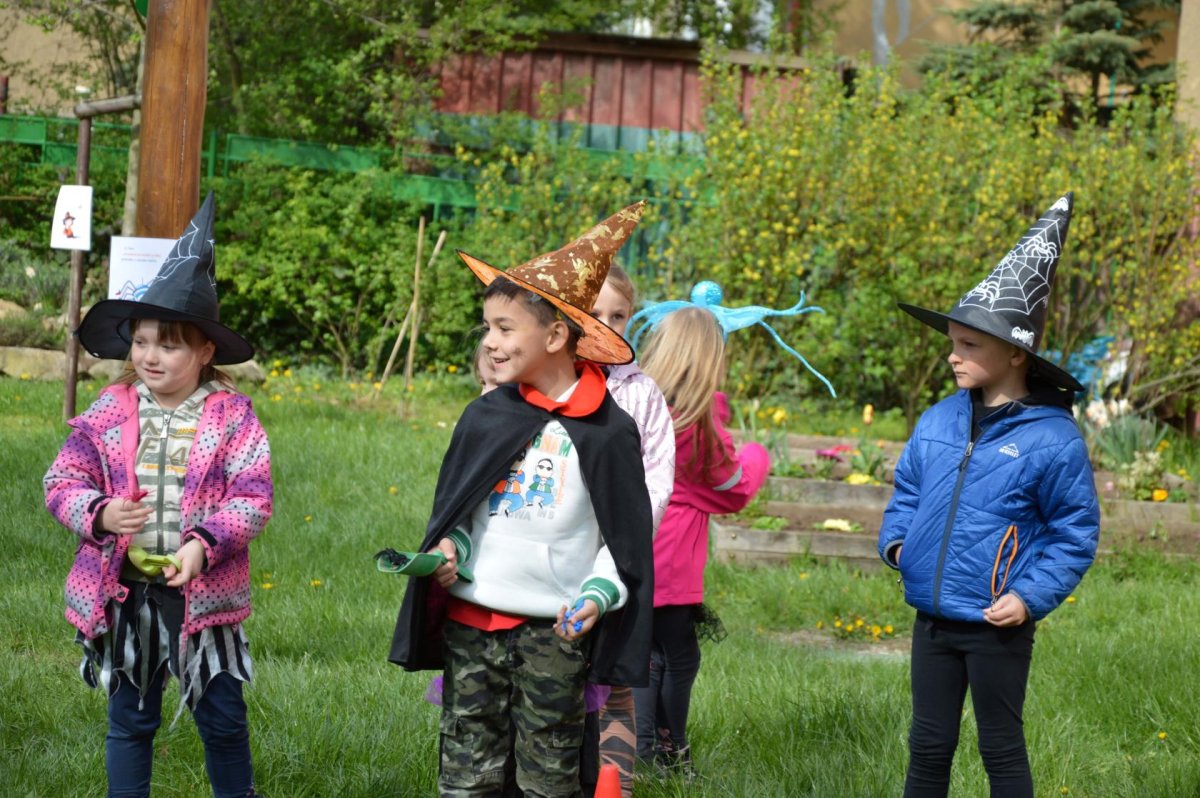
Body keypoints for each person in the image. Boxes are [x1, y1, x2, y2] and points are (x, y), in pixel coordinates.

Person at [389, 202, 655, 797]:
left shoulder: (608, 433)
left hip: (553, 634)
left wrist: (598, 593)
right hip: (471, 626)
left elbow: (624, 542)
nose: (491, 342)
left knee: (548, 778)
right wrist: (450, 549)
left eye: (505, 328)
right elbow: (462, 515)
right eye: (489, 327)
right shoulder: (485, 416)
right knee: (466, 777)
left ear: (556, 336)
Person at [45, 193, 272, 798]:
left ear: (205, 352)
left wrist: (203, 544)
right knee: (130, 720)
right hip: (124, 595)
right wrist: (99, 514)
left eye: (169, 344)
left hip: (204, 598)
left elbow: (252, 498)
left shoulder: (233, 418)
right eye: (142, 341)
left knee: (222, 719)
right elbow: (61, 481)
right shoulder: (109, 411)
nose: (150, 355)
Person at [878, 193, 1100, 798]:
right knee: (927, 745)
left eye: (970, 345)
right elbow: (908, 490)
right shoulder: (937, 420)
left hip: (994, 623)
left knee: (1000, 747)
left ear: (1016, 353)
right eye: (953, 342)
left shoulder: (1054, 439)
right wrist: (898, 543)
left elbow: (1073, 534)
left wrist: (1028, 597)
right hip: (931, 619)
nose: (954, 355)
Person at [631, 305, 771, 775]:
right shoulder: (698, 425)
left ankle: (641, 751)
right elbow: (734, 490)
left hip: (634, 551)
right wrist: (758, 454)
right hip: (671, 563)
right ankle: (667, 753)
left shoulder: (641, 408)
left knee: (646, 654)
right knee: (679, 657)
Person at [584, 263, 675, 797]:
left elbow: (658, 479)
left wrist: (625, 539)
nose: (605, 324)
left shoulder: (641, 393)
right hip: (552, 561)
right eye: (593, 312)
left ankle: (612, 786)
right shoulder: (546, 382)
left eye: (617, 316)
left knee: (613, 681)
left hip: (617, 559)